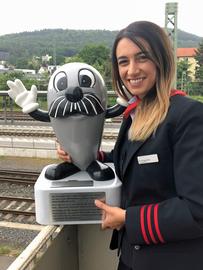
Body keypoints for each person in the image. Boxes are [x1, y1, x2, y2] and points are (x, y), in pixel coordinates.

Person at [57, 21, 203, 270]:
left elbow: (196, 210)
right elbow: (132, 160)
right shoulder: (135, 113)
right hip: (131, 257)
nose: (131, 70)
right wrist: (89, 156)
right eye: (123, 62)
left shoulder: (189, 116)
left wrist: (127, 219)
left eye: (142, 57)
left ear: (161, 60)